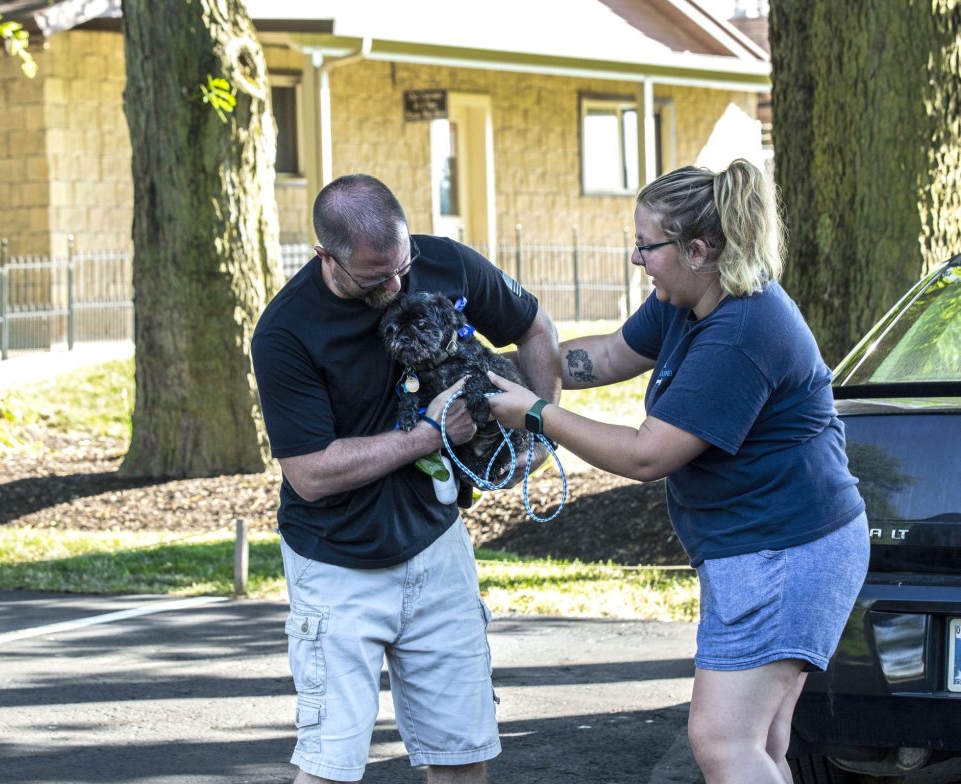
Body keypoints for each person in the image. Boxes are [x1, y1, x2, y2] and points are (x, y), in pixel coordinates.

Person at [485, 159, 869, 784]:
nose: (637, 259)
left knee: (722, 742)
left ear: (698, 249)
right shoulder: (685, 300)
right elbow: (605, 355)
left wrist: (534, 414)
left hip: (786, 551)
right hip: (768, 547)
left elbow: (646, 454)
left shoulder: (743, 329)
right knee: (762, 746)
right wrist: (495, 367)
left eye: (645, 246)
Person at [251, 173, 560, 784]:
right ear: (326, 256)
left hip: (436, 546)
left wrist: (540, 434)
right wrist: (430, 433)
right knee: (329, 768)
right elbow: (310, 474)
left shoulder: (444, 261)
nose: (395, 287)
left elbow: (535, 327)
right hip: (337, 563)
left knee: (463, 754)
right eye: (374, 278)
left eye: (402, 266)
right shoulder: (285, 332)